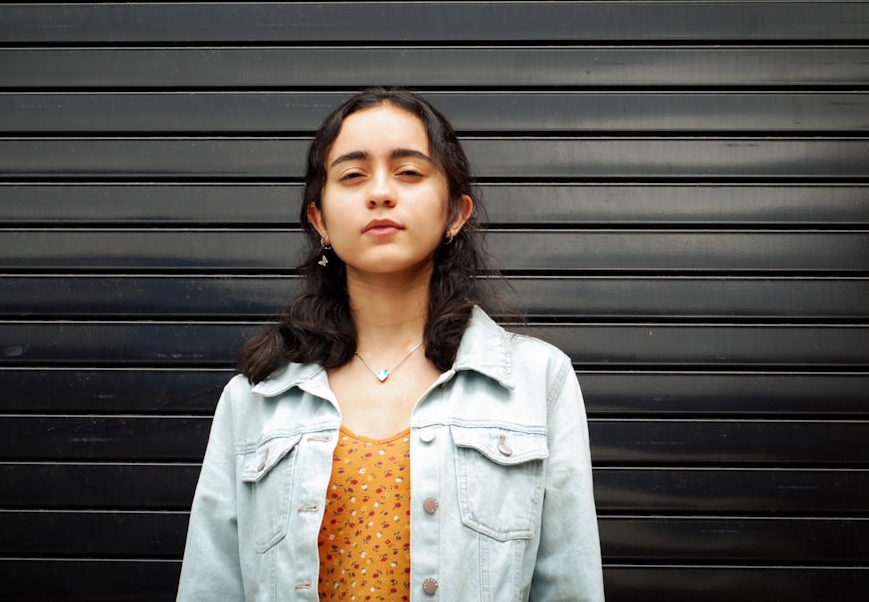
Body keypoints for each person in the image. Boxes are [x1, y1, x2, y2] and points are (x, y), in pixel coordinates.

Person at [176, 88, 604, 601]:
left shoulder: (538, 381)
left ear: (455, 213)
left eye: (409, 172)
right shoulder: (255, 398)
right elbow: (211, 585)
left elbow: (569, 587)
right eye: (353, 175)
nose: (380, 193)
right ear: (319, 220)